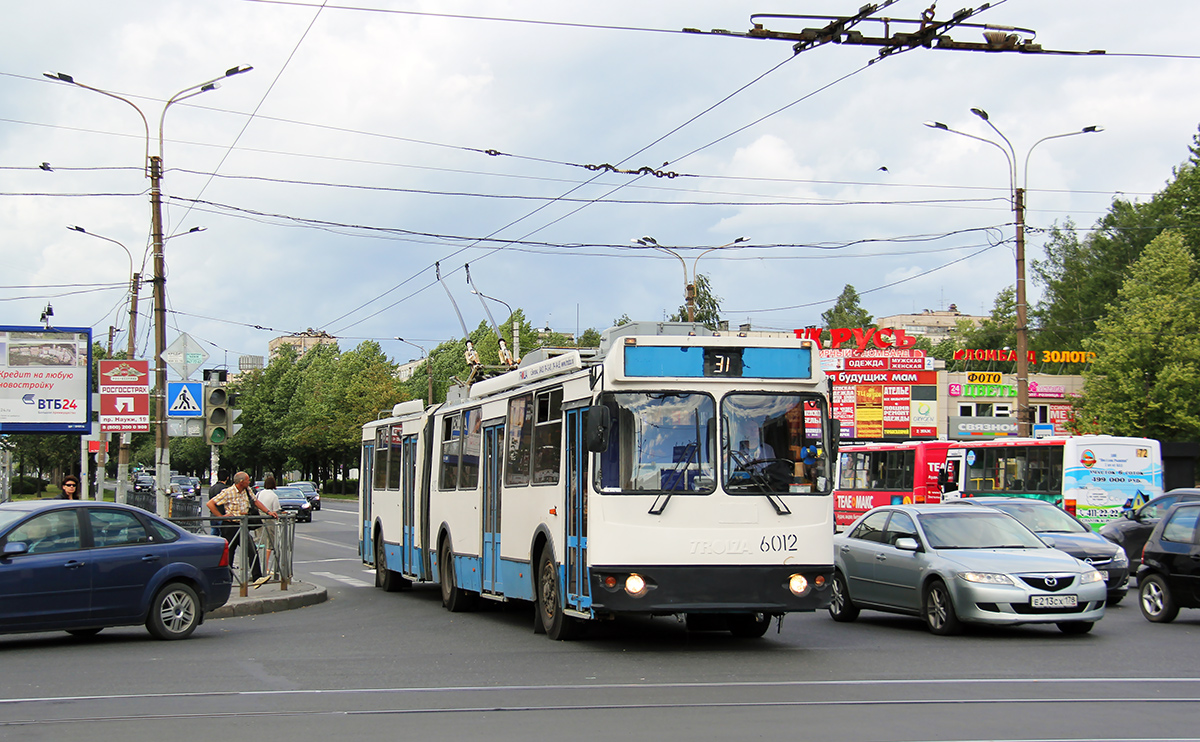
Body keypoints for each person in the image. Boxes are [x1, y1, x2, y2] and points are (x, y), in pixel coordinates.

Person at [206, 472, 276, 579]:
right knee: (230, 553)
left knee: (252, 550)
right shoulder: (228, 492)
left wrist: (268, 512)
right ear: (241, 482)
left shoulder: (247, 491)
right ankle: (227, 578)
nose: (249, 482)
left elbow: (256, 502)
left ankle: (257, 577)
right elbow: (210, 504)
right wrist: (222, 516)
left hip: (242, 526)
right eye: (247, 480)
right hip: (230, 526)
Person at [254, 475, 283, 581]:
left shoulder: (259, 493)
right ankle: (265, 567)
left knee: (259, 542)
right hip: (268, 520)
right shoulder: (274, 496)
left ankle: (255, 565)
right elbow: (276, 510)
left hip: (258, 519)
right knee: (270, 543)